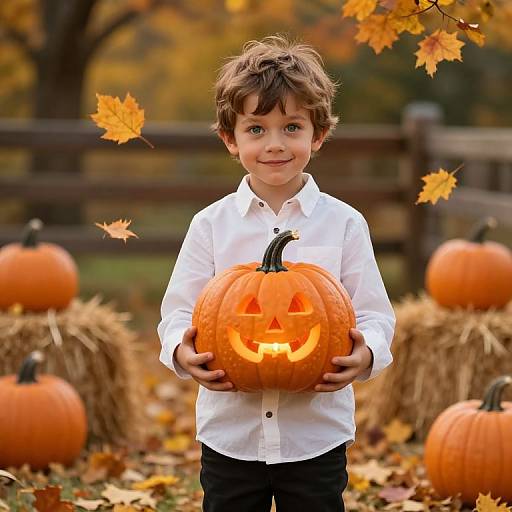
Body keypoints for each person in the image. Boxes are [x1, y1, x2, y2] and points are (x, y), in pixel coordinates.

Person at [157, 34, 395, 512]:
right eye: (256, 129)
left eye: (291, 127)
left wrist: (365, 353)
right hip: (231, 435)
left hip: (316, 435)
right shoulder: (210, 225)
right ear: (231, 139)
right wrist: (182, 352)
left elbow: (375, 314)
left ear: (318, 135)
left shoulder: (345, 223)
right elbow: (177, 312)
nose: (275, 145)